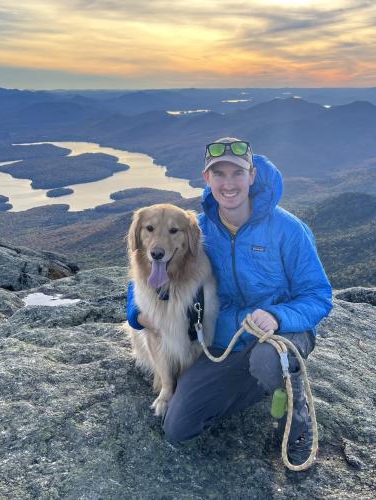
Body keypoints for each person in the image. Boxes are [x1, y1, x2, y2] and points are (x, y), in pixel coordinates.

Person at [126, 137, 332, 465]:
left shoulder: (288, 229)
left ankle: (296, 416)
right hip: (225, 345)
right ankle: (260, 386)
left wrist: (277, 316)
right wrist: (135, 313)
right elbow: (153, 266)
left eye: (237, 173)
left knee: (268, 360)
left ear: (252, 175)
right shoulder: (198, 229)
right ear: (206, 179)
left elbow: (319, 296)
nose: (228, 183)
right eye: (218, 174)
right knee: (179, 426)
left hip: (282, 333)